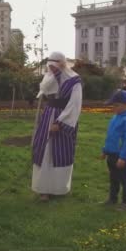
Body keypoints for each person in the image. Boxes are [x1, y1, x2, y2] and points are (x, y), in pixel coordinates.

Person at [31, 51, 83, 201]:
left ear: (62, 64)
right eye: (50, 66)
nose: (51, 69)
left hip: (63, 118)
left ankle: (58, 188)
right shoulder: (49, 77)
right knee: (44, 151)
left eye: (54, 66)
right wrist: (52, 75)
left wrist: (60, 123)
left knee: (60, 152)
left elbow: (75, 105)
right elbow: (44, 91)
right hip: (47, 116)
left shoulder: (74, 80)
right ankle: (43, 189)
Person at [101, 90, 126, 211]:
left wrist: (123, 157)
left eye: (117, 105)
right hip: (111, 154)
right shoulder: (116, 117)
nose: (114, 108)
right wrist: (105, 150)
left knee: (124, 179)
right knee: (113, 178)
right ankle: (112, 199)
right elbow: (111, 136)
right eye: (113, 105)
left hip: (121, 156)